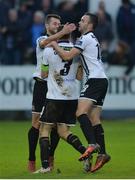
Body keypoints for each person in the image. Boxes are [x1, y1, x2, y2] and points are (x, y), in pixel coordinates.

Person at [49, 12, 111, 172]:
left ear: (89, 25)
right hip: (102, 80)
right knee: (94, 118)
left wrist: (54, 43)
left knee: (80, 112)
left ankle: (92, 144)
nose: (79, 22)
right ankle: (102, 153)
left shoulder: (84, 39)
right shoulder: (92, 39)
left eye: (82, 20)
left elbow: (67, 56)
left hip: (95, 81)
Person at [34, 27, 90, 173]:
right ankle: (85, 153)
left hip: (54, 96)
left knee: (44, 129)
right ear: (70, 34)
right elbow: (79, 77)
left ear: (56, 35)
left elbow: (44, 74)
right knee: (63, 131)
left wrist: (54, 73)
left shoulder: (48, 50)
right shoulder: (77, 51)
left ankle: (45, 166)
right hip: (71, 97)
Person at [27, 14, 62, 172]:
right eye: (55, 23)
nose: (57, 26)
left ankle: (50, 156)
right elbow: (44, 43)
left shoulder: (62, 43)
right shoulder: (41, 39)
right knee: (36, 124)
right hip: (41, 86)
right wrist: (61, 33)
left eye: (59, 24)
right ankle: (32, 158)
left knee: (55, 125)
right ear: (48, 26)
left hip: (55, 87)